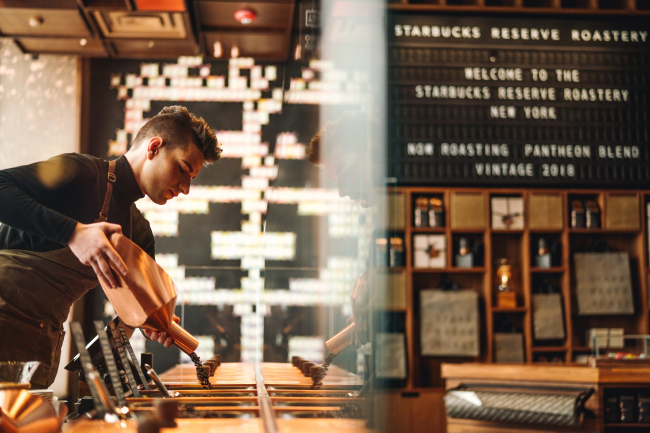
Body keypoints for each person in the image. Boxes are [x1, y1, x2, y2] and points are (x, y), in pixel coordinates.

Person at [0, 106, 221, 389]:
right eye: (182, 169)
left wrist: (154, 322)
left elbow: (142, 308)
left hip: (38, 339)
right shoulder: (81, 174)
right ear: (154, 147)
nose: (186, 187)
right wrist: (73, 233)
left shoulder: (138, 233)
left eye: (192, 178)